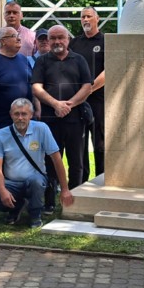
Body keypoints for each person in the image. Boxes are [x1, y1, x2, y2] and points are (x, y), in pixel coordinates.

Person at [0, 98, 73, 228]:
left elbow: (57, 159)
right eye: (16, 114)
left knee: (35, 181)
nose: (20, 118)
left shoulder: (42, 129)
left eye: (24, 114)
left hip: (35, 180)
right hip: (11, 183)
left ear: (31, 115)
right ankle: (16, 207)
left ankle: (35, 214)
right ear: (11, 115)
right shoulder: (1, 135)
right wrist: (2, 190)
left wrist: (65, 189)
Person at [32, 25, 92, 214]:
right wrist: (56, 104)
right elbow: (36, 88)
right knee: (50, 160)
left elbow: (87, 86)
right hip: (50, 120)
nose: (57, 42)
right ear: (48, 41)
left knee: (77, 162)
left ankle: (74, 201)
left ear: (68, 39)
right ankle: (49, 202)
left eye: (61, 38)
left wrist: (69, 105)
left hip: (75, 119)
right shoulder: (42, 61)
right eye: (53, 38)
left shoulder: (79, 59)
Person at [71, 7, 106, 181]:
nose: (85, 19)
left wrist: (89, 89)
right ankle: (80, 184)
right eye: (83, 17)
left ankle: (102, 181)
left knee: (100, 145)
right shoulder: (74, 43)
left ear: (97, 19)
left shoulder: (106, 41)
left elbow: (109, 70)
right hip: (78, 103)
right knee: (79, 146)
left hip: (99, 102)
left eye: (89, 16)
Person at [0, 27, 35, 147]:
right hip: (1, 122)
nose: (19, 39)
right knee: (2, 160)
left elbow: (33, 85)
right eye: (14, 36)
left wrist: (37, 109)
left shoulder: (24, 59)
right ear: (3, 41)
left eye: (18, 35)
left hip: (25, 119)